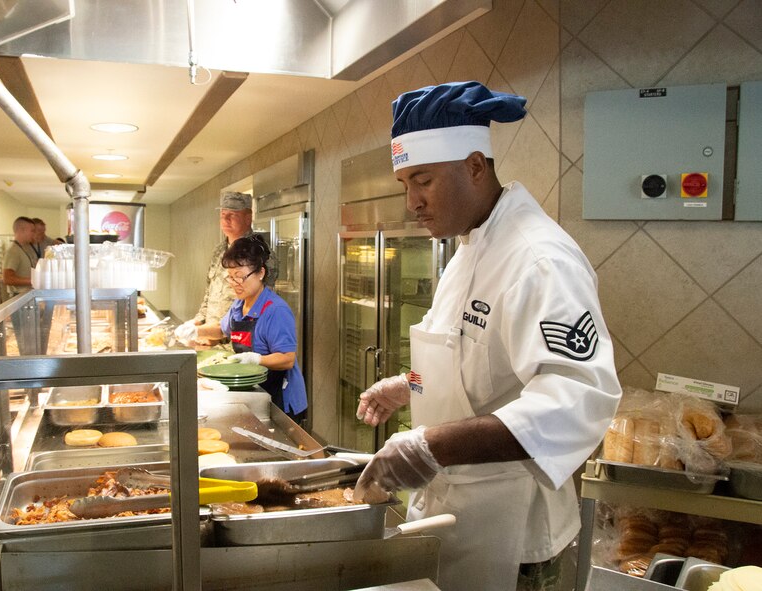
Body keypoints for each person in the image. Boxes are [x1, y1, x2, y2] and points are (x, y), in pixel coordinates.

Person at [352, 82, 622, 591]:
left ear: (475, 166)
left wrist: (430, 445)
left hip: (515, 535)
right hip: (451, 511)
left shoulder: (538, 259)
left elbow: (578, 399)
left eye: (424, 180)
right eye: (405, 183)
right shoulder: (469, 250)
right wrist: (409, 385)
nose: (412, 202)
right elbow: (475, 362)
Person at [197, 235, 307, 423]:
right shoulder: (239, 304)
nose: (234, 283)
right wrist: (194, 331)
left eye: (240, 276)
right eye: (230, 277)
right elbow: (222, 330)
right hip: (255, 392)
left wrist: (256, 359)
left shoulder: (275, 310)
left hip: (279, 400)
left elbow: (287, 359)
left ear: (260, 273)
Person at [174, 191, 258, 347]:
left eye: (232, 215)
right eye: (223, 215)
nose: (225, 220)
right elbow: (209, 292)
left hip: (238, 344)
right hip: (209, 339)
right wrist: (197, 322)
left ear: (248, 218)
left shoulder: (258, 253)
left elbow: (255, 308)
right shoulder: (219, 250)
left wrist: (214, 334)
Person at [3, 217, 38, 298]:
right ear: (22, 230)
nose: (34, 234)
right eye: (32, 231)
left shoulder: (27, 248)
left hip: (28, 295)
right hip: (19, 296)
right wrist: (34, 280)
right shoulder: (13, 251)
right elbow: (7, 278)